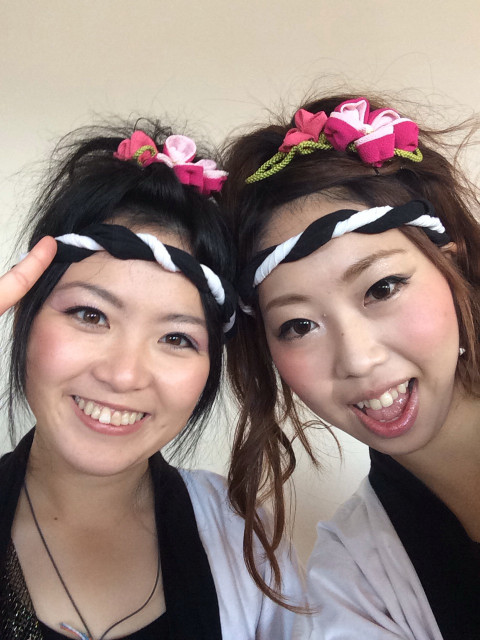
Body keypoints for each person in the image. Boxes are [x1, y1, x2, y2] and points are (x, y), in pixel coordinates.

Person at [0, 123, 303, 639]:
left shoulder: (246, 543)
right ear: (25, 315)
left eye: (177, 338)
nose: (123, 375)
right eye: (91, 315)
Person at [222, 95, 480, 639]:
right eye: (298, 326)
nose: (358, 359)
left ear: (450, 267)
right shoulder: (354, 574)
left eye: (382, 288)